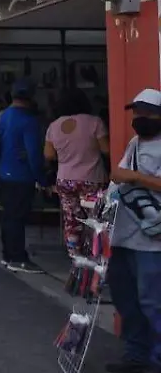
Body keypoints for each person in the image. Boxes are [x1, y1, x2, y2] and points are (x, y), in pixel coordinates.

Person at [107, 89, 161, 373]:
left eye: (147, 112)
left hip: (153, 241)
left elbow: (130, 177)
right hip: (124, 235)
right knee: (126, 299)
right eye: (137, 112)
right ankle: (136, 356)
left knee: (153, 302)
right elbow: (121, 179)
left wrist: (135, 176)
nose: (140, 118)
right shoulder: (135, 144)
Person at [44, 88, 110, 256]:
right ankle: (96, 256)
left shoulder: (54, 126)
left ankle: (76, 257)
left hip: (65, 180)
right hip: (92, 180)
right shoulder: (95, 122)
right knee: (96, 221)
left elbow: (49, 154)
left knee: (72, 221)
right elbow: (106, 149)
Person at [0, 79, 47, 273]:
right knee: (17, 218)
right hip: (21, 175)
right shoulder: (29, 121)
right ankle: (18, 258)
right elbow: (34, 154)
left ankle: (7, 254)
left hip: (4, 171)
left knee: (8, 216)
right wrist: (42, 178)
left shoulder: (4, 116)